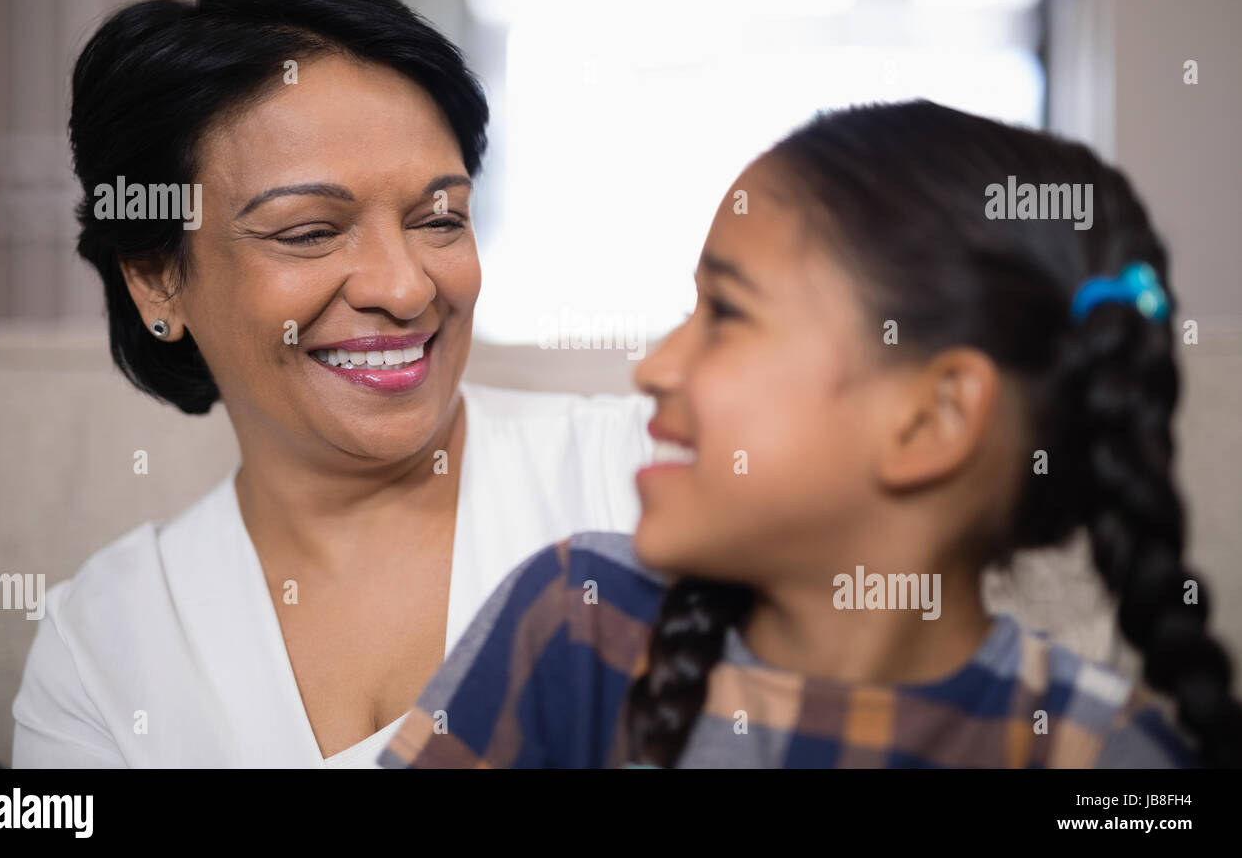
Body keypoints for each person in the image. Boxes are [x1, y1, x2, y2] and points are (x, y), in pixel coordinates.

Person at [379, 100, 1242, 768]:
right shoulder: (573, 624)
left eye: (724, 313)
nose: (655, 368)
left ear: (930, 419)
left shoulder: (1095, 754)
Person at [12, 0, 650, 768]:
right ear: (156, 276)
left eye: (440, 218)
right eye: (310, 231)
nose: (405, 286)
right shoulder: (101, 647)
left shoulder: (638, 476)